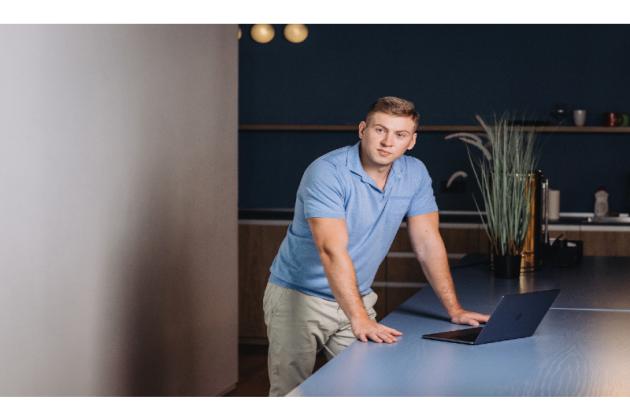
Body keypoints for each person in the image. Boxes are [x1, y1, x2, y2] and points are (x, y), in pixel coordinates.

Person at [263, 96, 490, 396]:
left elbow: (428, 242)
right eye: (379, 130)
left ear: (411, 141)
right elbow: (331, 250)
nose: (387, 142)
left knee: (366, 394)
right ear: (362, 130)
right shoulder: (328, 172)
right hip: (300, 298)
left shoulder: (415, 173)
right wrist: (358, 319)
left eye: (400, 134)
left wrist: (455, 309)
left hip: (357, 298)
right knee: (291, 396)